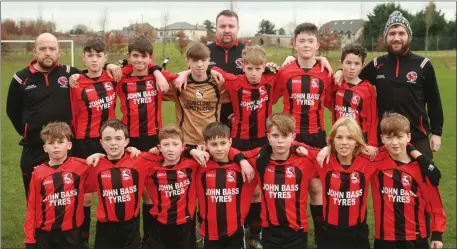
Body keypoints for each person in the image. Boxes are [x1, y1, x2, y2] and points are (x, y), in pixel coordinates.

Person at [6, 32, 121, 199]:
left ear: (58, 52)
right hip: (34, 147)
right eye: (43, 48)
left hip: (65, 146)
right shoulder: (20, 78)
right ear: (34, 51)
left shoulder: (69, 73)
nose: (47, 52)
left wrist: (110, 65)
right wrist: (27, 131)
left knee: (66, 196)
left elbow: (93, 69)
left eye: (52, 49)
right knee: (35, 196)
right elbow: (12, 111)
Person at [334, 11, 444, 159]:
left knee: (425, 179)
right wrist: (340, 71)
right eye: (392, 33)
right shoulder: (377, 64)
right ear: (386, 37)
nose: (396, 38)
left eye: (401, 33)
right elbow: (353, 75)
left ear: (408, 36)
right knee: (386, 181)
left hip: (417, 136)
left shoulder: (423, 65)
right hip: (385, 139)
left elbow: (434, 101)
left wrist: (436, 132)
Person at [272, 23, 333, 245]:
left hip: (317, 136)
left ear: (317, 45)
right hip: (291, 137)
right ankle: (289, 234)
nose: (306, 45)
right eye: (301, 41)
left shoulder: (326, 73)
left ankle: (321, 235)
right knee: (291, 186)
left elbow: (334, 104)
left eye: (310, 41)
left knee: (317, 187)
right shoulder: (285, 72)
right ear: (294, 44)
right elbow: (269, 96)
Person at [211, 45, 278, 248]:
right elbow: (211, 68)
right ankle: (236, 226)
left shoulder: (271, 80)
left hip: (262, 143)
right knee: (236, 187)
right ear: (243, 67)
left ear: (264, 67)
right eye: (250, 68)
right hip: (239, 142)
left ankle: (255, 232)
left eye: (258, 69)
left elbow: (293, 66)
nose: (254, 73)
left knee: (257, 188)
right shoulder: (235, 82)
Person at [372, 112, 446, 249]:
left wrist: (437, 234)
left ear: (409, 137)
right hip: (385, 238)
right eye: (389, 137)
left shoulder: (422, 169)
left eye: (400, 137)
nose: (394, 143)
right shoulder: (375, 161)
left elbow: (435, 203)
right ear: (382, 138)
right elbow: (350, 148)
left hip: (416, 238)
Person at [69, 38, 118, 246]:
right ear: (83, 57)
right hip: (84, 143)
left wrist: (113, 65)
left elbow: (143, 64)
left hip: (110, 142)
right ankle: (82, 240)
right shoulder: (75, 81)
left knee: (111, 191)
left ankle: (112, 238)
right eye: (90, 56)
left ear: (105, 57)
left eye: (99, 56)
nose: (95, 60)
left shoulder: (113, 76)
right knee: (86, 198)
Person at [24, 122, 94, 249]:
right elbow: (31, 208)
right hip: (45, 233)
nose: (56, 147)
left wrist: (99, 155)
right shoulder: (38, 173)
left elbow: (108, 164)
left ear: (69, 145)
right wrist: (30, 238)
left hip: (71, 232)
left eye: (60, 142)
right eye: (51, 143)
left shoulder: (82, 166)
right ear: (45, 148)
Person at [196, 122, 257, 249]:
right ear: (206, 145)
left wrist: (242, 160)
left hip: (235, 231)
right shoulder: (199, 166)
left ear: (230, 142)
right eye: (214, 144)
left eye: (223, 143)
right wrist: (194, 151)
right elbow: (177, 149)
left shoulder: (244, 166)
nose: (219, 148)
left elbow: (275, 146)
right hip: (209, 232)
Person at [164, 41, 230, 146]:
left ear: (209, 61)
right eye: (194, 61)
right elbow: (153, 83)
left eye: (203, 60)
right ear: (188, 61)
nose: (199, 65)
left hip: (211, 142)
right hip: (185, 142)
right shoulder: (178, 83)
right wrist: (183, 73)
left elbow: (242, 92)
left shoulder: (219, 83)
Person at [330, 43, 378, 147]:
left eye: (357, 64)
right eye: (348, 63)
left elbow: (372, 119)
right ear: (341, 64)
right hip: (338, 139)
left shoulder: (368, 88)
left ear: (363, 66)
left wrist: (371, 144)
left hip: (359, 141)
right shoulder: (335, 84)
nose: (352, 67)